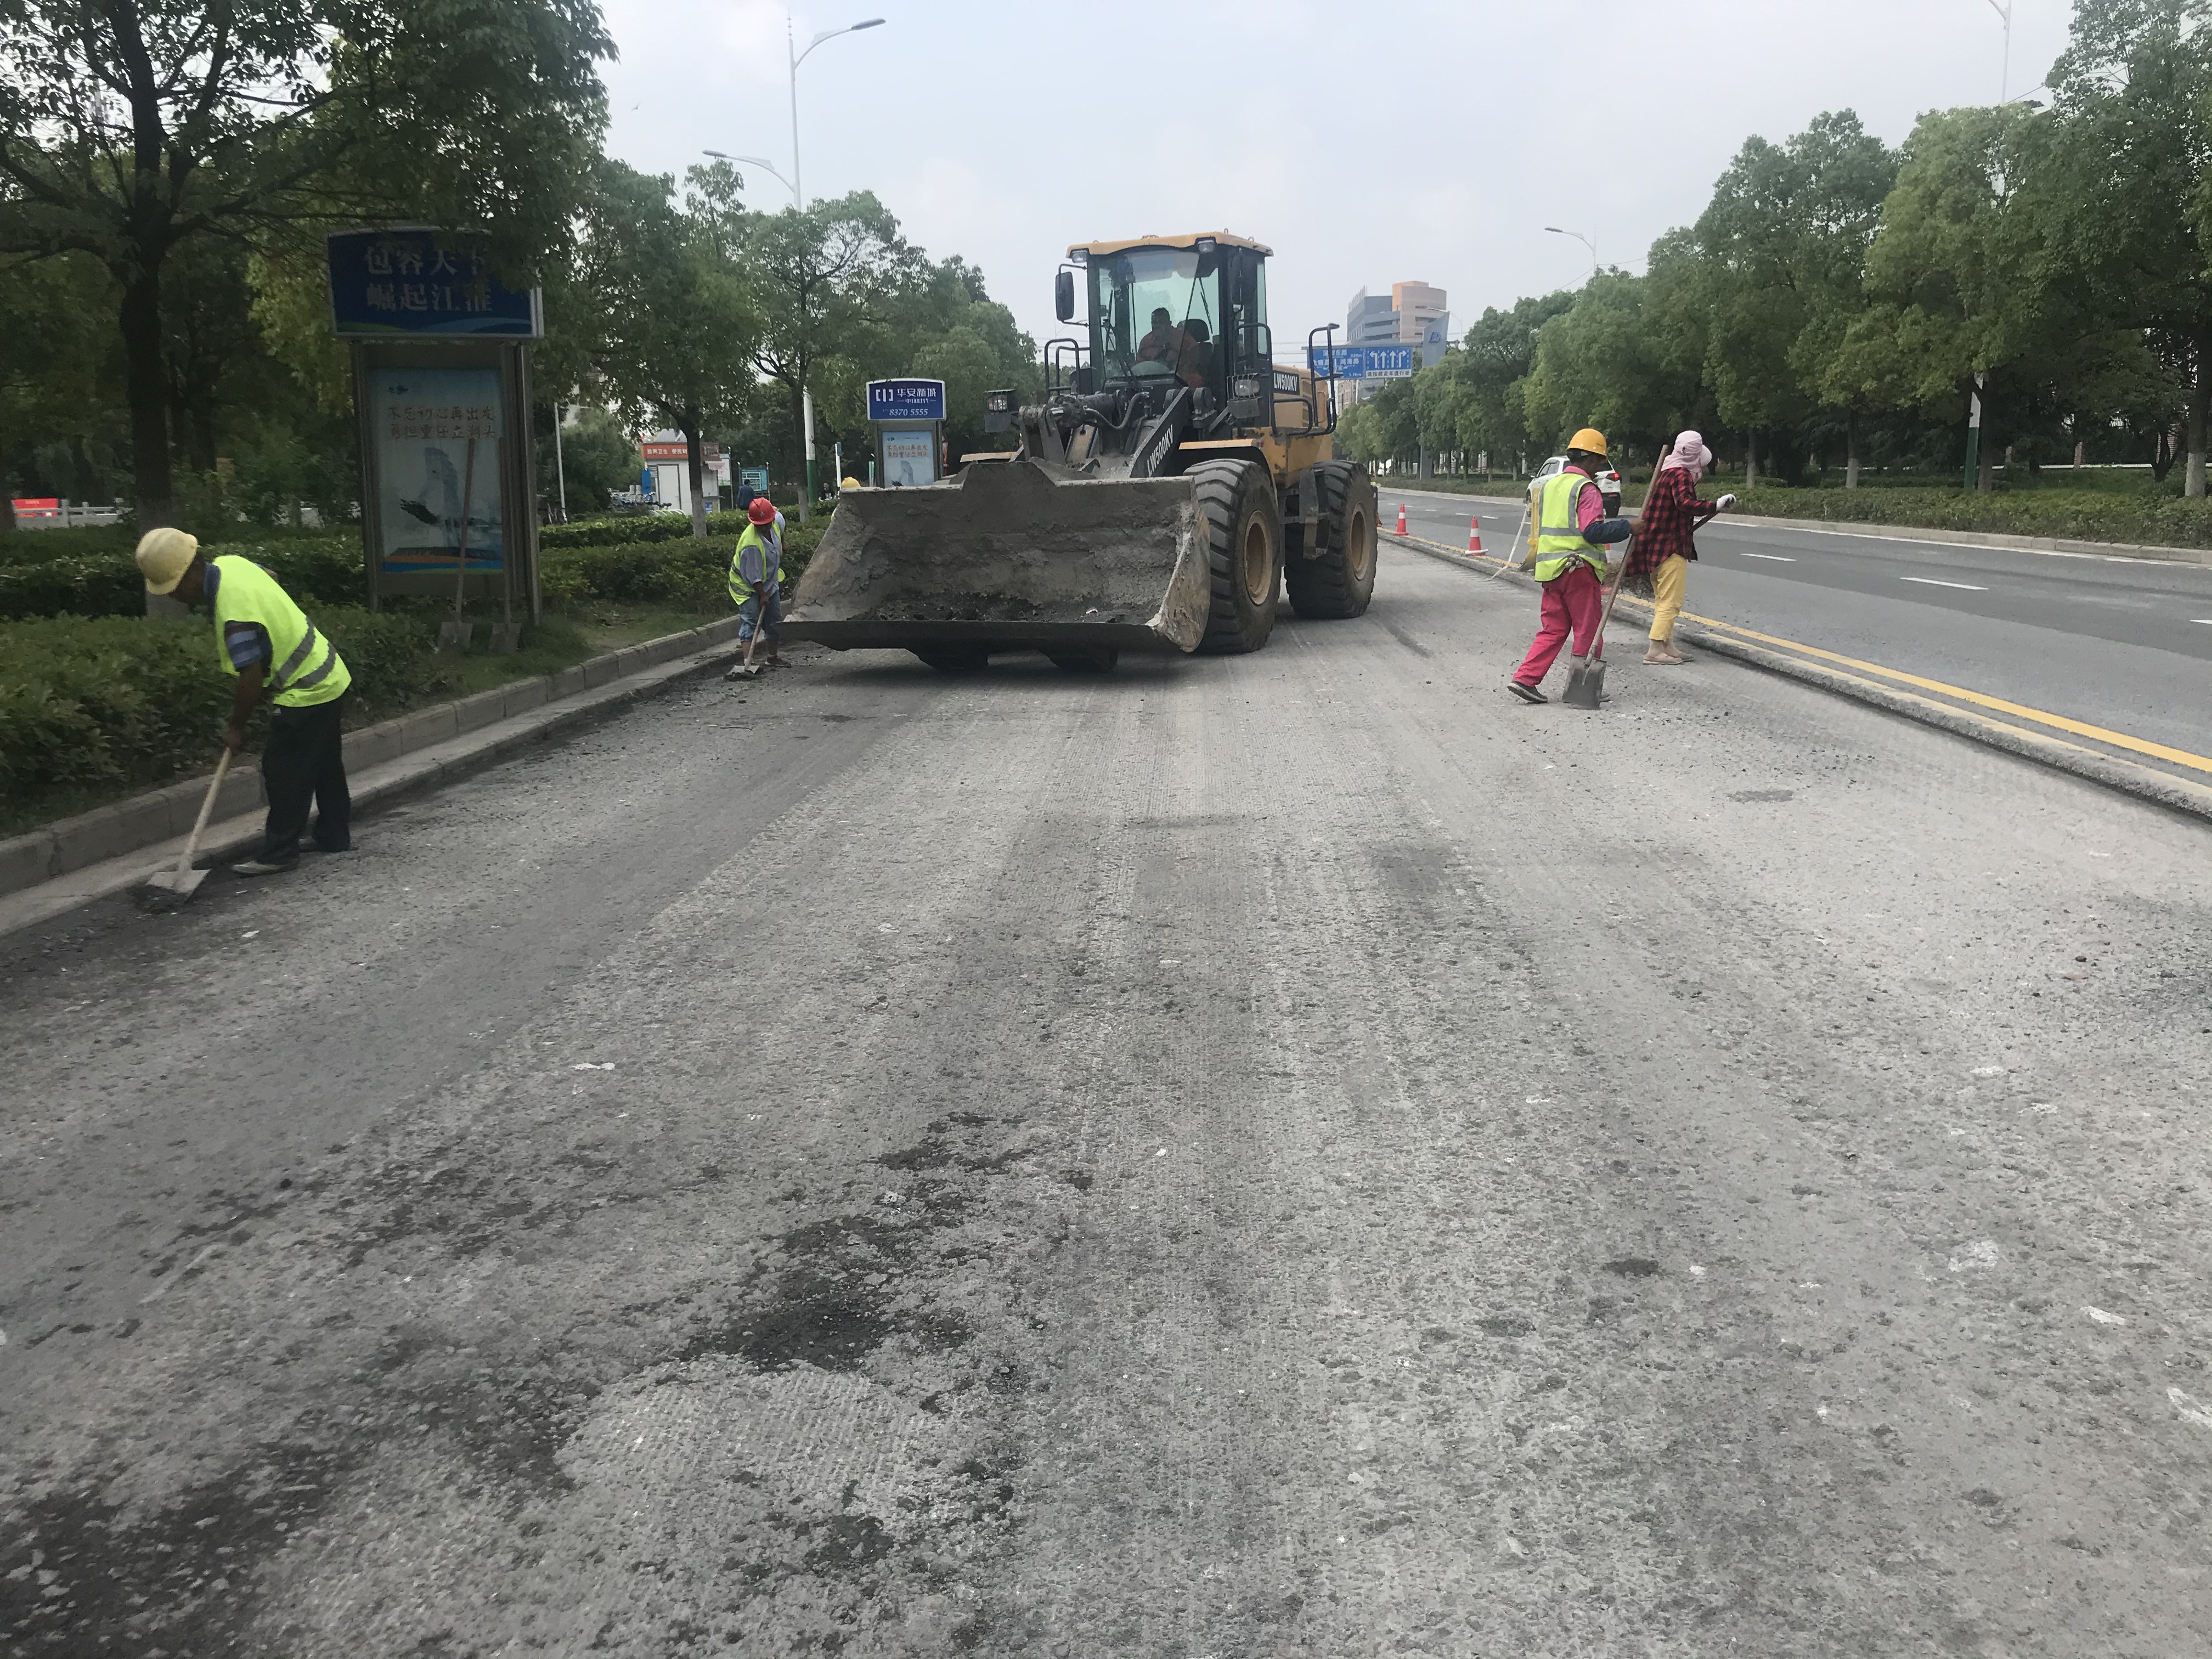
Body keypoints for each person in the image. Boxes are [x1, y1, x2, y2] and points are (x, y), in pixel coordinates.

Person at [134, 527, 353, 874]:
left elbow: (251, 674)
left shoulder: (235, 615)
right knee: (324, 762)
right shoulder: (232, 564)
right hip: (328, 670)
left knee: (283, 769)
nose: (174, 597)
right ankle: (334, 835)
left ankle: (280, 852)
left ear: (191, 573)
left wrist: (236, 729)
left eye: (174, 588)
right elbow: (271, 575)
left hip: (306, 688)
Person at [1508, 428, 1635, 704]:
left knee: (1553, 629)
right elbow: (1592, 531)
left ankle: (1525, 679)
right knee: (1588, 630)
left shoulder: (1550, 486)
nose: (1599, 468)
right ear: (1590, 459)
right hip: (1578, 569)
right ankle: (1582, 689)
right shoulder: (1586, 489)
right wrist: (1628, 527)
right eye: (1599, 461)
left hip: (1550, 570)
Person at [1624, 431, 1735, 664]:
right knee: (1670, 602)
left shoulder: (1665, 472)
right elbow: (1685, 503)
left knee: (1663, 598)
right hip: (1670, 547)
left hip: (1654, 546)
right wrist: (1714, 505)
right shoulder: (1681, 474)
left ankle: (1668, 645)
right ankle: (1655, 649)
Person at [725, 495, 786, 676]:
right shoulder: (750, 544)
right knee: (751, 621)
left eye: (768, 524)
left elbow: (781, 528)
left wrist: (783, 541)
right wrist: (762, 595)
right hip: (747, 586)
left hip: (770, 582)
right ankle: (748, 663)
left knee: (775, 620)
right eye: (761, 526)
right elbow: (754, 577)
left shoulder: (776, 521)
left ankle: (772, 657)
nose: (766, 528)